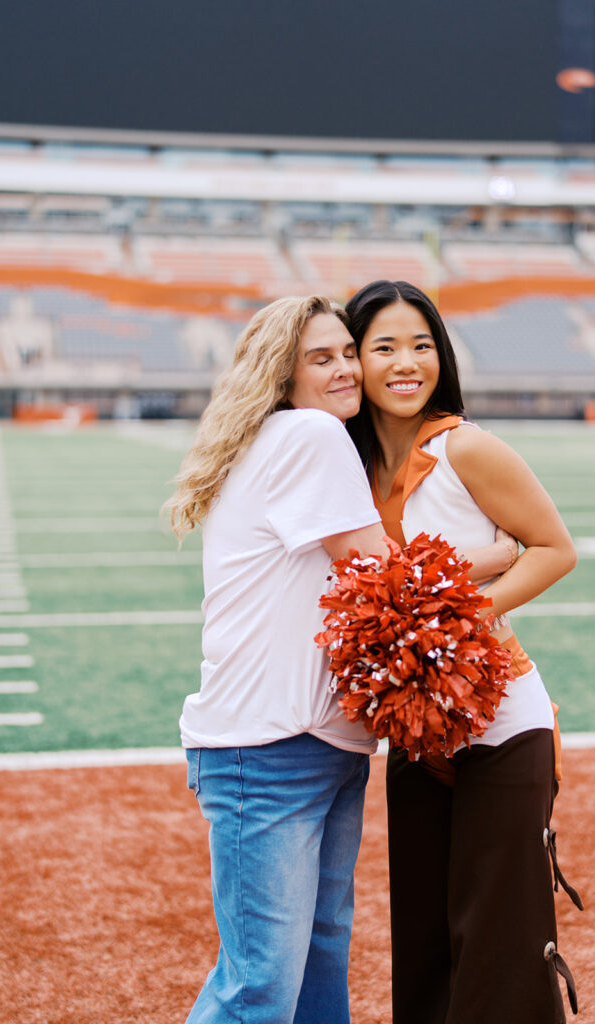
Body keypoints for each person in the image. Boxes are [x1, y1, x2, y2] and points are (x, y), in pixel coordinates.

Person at [344, 280, 581, 1024]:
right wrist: (478, 559)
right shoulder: (345, 467)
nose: (406, 362)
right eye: (384, 346)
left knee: (502, 937)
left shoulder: (465, 447)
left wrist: (455, 618)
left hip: (503, 722)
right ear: (354, 361)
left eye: (421, 345)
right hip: (417, 730)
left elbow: (553, 549)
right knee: (424, 935)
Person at [166, 295, 390, 1024]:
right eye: (320, 359)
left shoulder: (281, 438)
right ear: (282, 376)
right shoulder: (309, 436)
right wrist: (503, 553)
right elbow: (379, 568)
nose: (346, 369)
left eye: (348, 352)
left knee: (317, 966)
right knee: (260, 986)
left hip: (318, 742)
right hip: (266, 749)